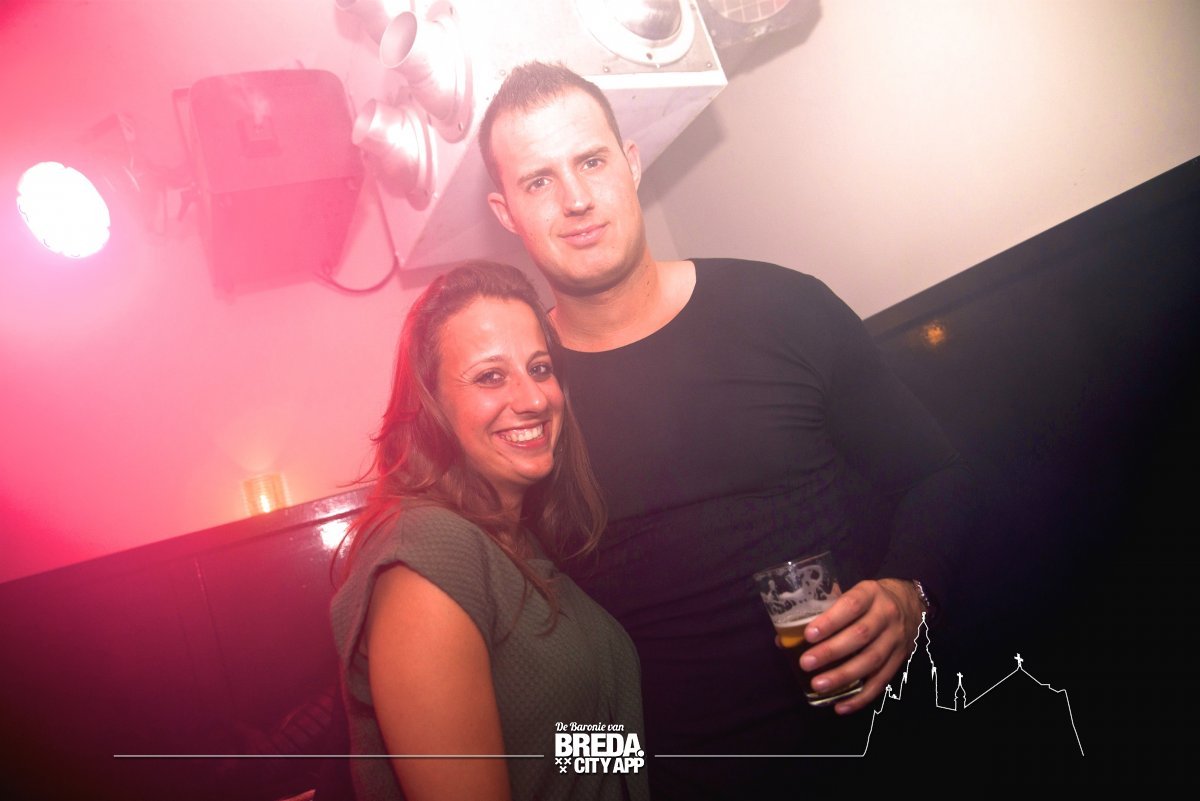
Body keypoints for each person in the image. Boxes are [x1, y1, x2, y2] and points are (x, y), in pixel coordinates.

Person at [479, 62, 975, 796]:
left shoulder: (785, 308)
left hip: (882, 752)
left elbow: (936, 476)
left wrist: (911, 595)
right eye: (538, 181)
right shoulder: (522, 407)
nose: (576, 198)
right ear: (505, 212)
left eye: (591, 161)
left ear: (631, 163)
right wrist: (616, 772)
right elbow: (523, 679)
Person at [330, 261, 649, 801]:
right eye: (490, 376)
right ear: (431, 403)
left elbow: (552, 747)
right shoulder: (427, 552)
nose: (534, 399)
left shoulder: (516, 542)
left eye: (540, 368)